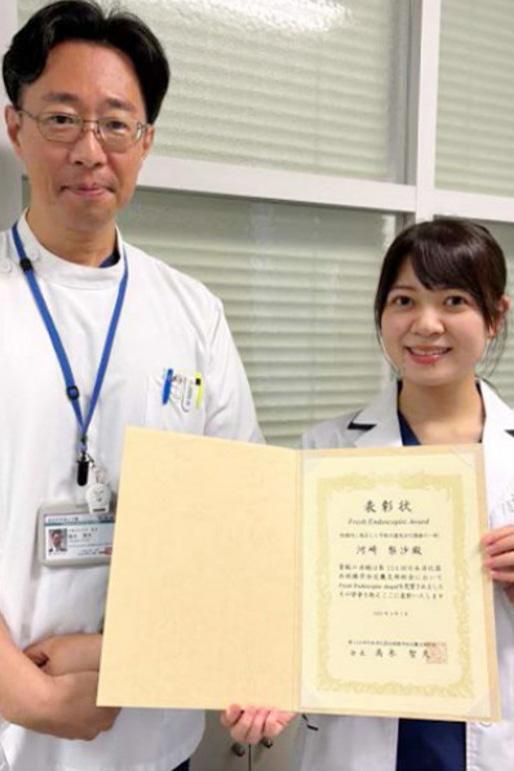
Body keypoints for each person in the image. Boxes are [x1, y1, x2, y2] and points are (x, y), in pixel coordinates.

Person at [0, 1, 262, 770]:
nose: (90, 150)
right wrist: (25, 693)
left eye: (116, 124)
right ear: (15, 127)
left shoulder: (193, 313)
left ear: (145, 142)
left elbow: (236, 515)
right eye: (61, 119)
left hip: (155, 740)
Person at [222, 218, 514, 770]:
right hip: (355, 745)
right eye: (404, 300)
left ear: (495, 316)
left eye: (453, 301)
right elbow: (285, 608)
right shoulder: (324, 451)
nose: (426, 324)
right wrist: (265, 682)